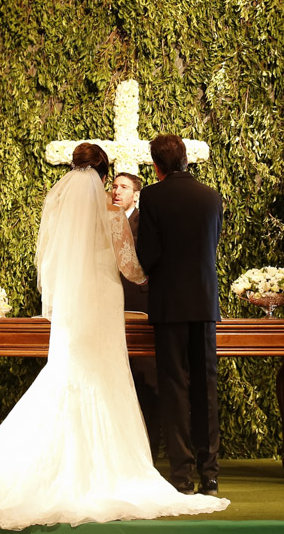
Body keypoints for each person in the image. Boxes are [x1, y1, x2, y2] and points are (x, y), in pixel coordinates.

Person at [0, 143, 228, 528]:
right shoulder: (117, 212)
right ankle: (176, 470)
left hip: (73, 306)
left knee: (71, 373)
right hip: (115, 300)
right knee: (123, 376)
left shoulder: (61, 207)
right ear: (103, 176)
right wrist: (149, 277)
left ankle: (70, 465)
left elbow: (54, 262)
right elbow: (131, 266)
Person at [135, 134, 224, 496]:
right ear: (186, 159)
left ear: (157, 166)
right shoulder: (211, 196)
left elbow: (148, 254)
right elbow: (212, 244)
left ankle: (182, 476)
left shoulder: (152, 196)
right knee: (206, 388)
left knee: (174, 389)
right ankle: (210, 474)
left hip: (169, 305)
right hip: (203, 302)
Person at [112, 171, 160, 457]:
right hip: (109, 304)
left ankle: (148, 449)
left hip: (140, 305)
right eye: (114, 186)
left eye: (124, 187)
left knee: (145, 378)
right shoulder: (104, 220)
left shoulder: (145, 222)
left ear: (136, 194)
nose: (117, 191)